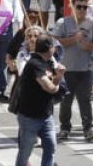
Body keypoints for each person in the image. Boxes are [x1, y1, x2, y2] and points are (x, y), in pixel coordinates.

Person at [54, 0, 93, 142]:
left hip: (85, 69)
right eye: (79, 7)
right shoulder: (63, 22)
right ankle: (64, 128)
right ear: (72, 7)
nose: (82, 10)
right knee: (66, 100)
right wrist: (74, 39)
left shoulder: (91, 24)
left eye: (85, 7)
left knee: (85, 100)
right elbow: (56, 43)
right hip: (66, 69)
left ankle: (88, 128)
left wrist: (88, 46)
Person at [14, 34, 67, 166]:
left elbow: (52, 83)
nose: (55, 49)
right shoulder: (35, 64)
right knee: (25, 152)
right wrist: (58, 87)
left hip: (46, 115)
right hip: (29, 116)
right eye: (54, 47)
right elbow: (48, 87)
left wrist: (58, 76)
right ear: (49, 48)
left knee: (50, 147)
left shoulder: (48, 63)